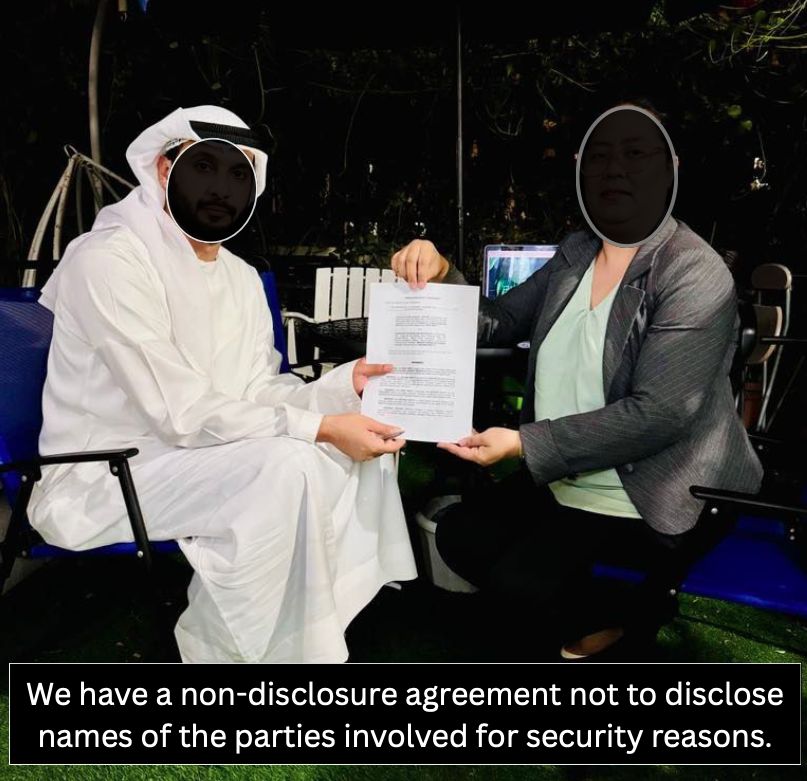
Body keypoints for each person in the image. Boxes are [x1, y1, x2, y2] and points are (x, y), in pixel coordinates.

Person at [29, 105, 417, 664]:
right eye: (203, 168)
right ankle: (227, 654)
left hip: (198, 454)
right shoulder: (109, 261)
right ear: (164, 170)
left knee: (348, 447)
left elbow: (258, 389)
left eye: (238, 175)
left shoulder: (239, 275)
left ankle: (298, 637)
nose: (219, 189)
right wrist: (320, 428)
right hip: (105, 473)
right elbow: (178, 411)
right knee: (289, 464)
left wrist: (341, 390)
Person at [390, 98, 763, 660]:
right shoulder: (577, 251)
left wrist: (523, 443)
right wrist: (441, 274)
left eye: (636, 153)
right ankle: (610, 614)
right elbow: (499, 320)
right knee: (460, 536)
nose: (615, 170)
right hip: (565, 473)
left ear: (669, 169)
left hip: (652, 486)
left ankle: (630, 616)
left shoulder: (693, 271)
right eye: (600, 156)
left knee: (520, 581)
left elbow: (661, 413)